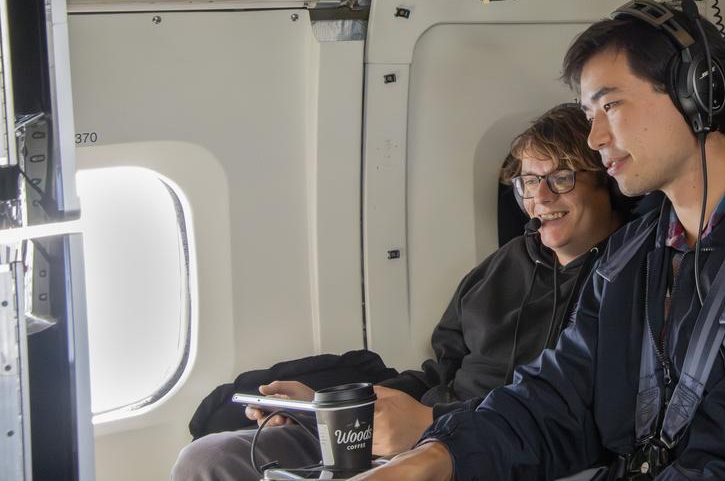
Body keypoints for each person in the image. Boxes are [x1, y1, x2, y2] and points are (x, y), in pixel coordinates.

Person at [352, 0, 725, 480]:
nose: (594, 138)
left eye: (610, 106)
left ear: (696, 93)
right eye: (590, 115)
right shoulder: (632, 256)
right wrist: (439, 456)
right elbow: (560, 397)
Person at [171, 103, 623, 480]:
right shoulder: (506, 265)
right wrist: (329, 405)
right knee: (211, 460)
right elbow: (439, 372)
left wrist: (432, 425)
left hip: (489, 450)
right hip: (415, 426)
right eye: (528, 181)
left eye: (561, 177)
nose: (540, 198)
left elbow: (583, 416)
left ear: (605, 182)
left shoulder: (626, 280)